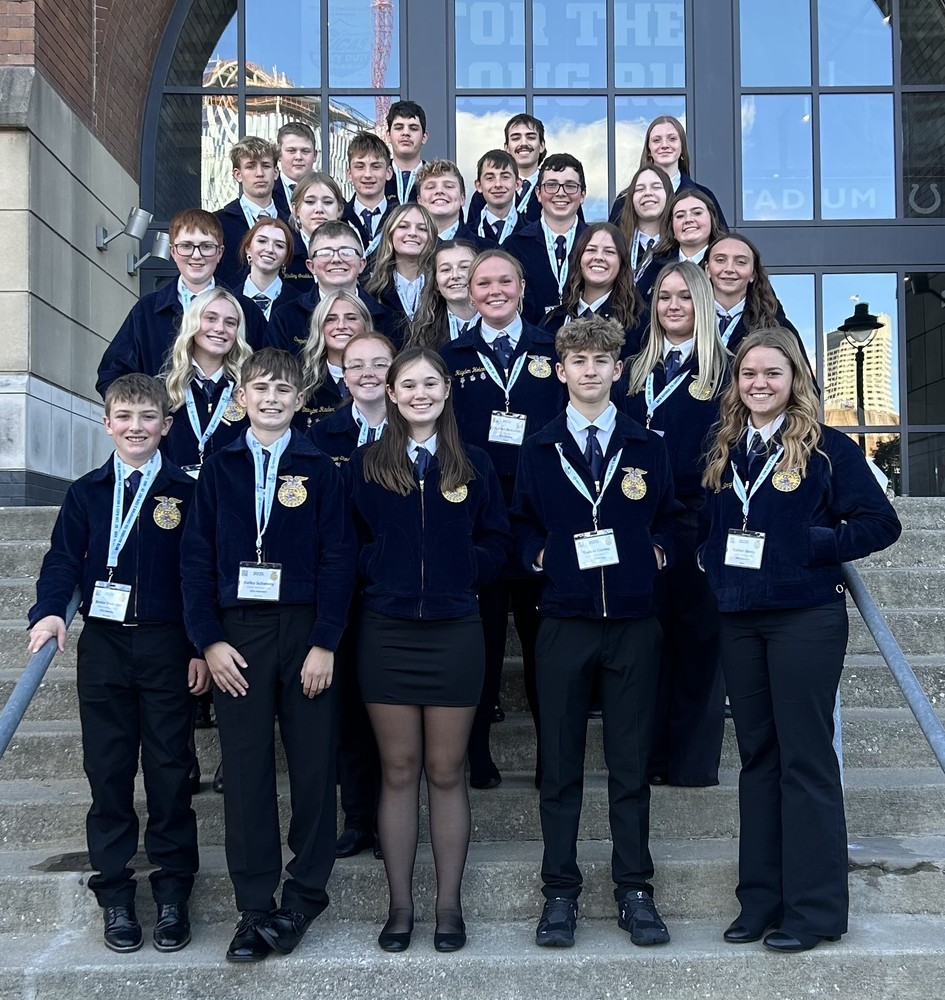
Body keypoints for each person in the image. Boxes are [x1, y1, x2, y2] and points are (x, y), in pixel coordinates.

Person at [699, 327, 901, 952]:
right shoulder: (725, 449)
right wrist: (710, 557)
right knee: (758, 759)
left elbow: (880, 523)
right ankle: (760, 901)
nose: (760, 384)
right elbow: (707, 518)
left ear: (796, 381)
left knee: (805, 759)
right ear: (737, 383)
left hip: (804, 619)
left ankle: (812, 912)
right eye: (749, 374)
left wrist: (813, 546)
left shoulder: (828, 450)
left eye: (773, 374)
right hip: (739, 618)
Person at [181, 347, 356, 963]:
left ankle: (304, 895)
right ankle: (254, 907)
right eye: (261, 389)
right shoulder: (220, 467)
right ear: (242, 396)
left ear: (301, 399)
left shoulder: (319, 466)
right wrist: (209, 640)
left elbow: (339, 558)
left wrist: (325, 642)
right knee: (247, 774)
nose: (273, 398)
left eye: (285, 389)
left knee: (313, 771)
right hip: (238, 637)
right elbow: (195, 560)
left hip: (306, 633)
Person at [511, 316, 679, 949]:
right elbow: (521, 524)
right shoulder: (539, 446)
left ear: (617, 370)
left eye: (600, 361)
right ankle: (560, 892)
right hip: (564, 622)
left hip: (634, 622)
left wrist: (657, 552)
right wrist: (541, 557)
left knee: (630, 766)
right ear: (561, 371)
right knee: (559, 767)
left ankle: (635, 888)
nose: (589, 370)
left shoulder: (648, 445)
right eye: (577, 360)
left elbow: (670, 515)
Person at [28, 373, 207, 954]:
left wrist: (201, 646)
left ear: (166, 426)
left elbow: (199, 576)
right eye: (124, 417)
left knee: (169, 773)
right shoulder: (85, 493)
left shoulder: (187, 491)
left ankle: (174, 893)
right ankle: (115, 896)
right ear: (106, 424)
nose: (136, 427)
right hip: (103, 648)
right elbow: (61, 562)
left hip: (166, 648)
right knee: (107, 776)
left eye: (148, 417)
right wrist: (50, 612)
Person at [345, 347, 510, 953]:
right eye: (407, 384)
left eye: (430, 383)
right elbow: (347, 540)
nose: (420, 393)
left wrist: (468, 569)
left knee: (445, 771)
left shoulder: (475, 465)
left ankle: (447, 908)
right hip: (386, 631)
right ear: (390, 393)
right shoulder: (365, 465)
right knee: (398, 770)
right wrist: (379, 571)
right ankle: (399, 908)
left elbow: (499, 539)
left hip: (455, 630)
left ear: (446, 391)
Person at [440, 249, 565, 789]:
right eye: (483, 282)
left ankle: (549, 756)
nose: (494, 291)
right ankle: (479, 754)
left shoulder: (551, 348)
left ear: (521, 287)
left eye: (504, 281)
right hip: (479, 520)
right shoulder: (450, 355)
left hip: (540, 518)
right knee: (482, 646)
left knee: (544, 648)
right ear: (470, 292)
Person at [618, 261, 729, 787]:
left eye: (685, 297)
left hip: (699, 519)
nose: (673, 306)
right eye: (664, 297)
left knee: (698, 640)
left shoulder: (725, 370)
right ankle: (650, 757)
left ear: (703, 303)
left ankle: (690, 762)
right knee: (647, 641)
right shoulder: (635, 368)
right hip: (640, 524)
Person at [310, 332, 396, 860]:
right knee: (347, 714)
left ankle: (392, 821)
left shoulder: (415, 430)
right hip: (341, 589)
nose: (367, 374)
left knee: (390, 710)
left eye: (379, 364)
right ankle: (358, 817)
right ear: (342, 375)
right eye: (356, 365)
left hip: (395, 588)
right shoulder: (324, 435)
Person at [96, 209, 267, 397]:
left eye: (206, 246)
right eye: (186, 246)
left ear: (220, 253)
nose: (196, 255)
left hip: (228, 422)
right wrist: (146, 412)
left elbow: (267, 373)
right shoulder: (147, 311)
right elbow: (111, 375)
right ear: (172, 251)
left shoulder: (246, 311)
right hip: (164, 423)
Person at [160, 288, 253, 474]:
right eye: (211, 318)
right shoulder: (163, 389)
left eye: (230, 322)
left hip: (229, 497)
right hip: (175, 497)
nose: (220, 328)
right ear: (193, 323)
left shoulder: (249, 391)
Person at [268, 220, 393, 354]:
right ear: (311, 266)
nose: (336, 259)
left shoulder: (387, 318)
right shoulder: (285, 317)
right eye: (324, 253)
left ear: (362, 264)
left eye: (346, 252)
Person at [540, 222, 647, 360]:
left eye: (609, 251)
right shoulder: (553, 321)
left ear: (621, 262)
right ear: (579, 259)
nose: (598, 257)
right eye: (591, 250)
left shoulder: (638, 322)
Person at [504, 153, 588, 324]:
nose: (561, 193)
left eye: (570, 186)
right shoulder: (515, 245)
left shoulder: (597, 244)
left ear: (583, 195)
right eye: (551, 185)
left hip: (588, 345)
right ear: (538, 193)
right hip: (533, 346)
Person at [703, 233, 805, 358]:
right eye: (720, 260)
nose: (729, 269)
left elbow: (803, 377)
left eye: (740, 262)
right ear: (707, 269)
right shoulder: (687, 319)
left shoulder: (777, 325)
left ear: (753, 274)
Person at [297, 289, 375, 429]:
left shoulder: (385, 378)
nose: (341, 326)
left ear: (366, 325)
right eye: (331, 319)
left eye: (351, 318)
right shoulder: (301, 382)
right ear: (319, 328)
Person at [363, 202, 437, 348]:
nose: (412, 233)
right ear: (390, 234)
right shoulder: (371, 290)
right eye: (403, 226)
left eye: (422, 229)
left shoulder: (441, 288)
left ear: (432, 239)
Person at [636, 189, 726, 302]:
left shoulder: (725, 266)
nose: (688, 220)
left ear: (712, 220)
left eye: (697, 213)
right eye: (680, 216)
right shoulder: (655, 266)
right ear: (671, 227)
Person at [638, 115, 728, 229]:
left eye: (672, 139)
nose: (664, 145)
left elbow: (722, 242)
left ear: (682, 147)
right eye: (656, 140)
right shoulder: (626, 200)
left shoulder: (704, 196)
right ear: (649, 150)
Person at [215, 136, 279, 287]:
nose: (259, 173)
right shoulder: (218, 222)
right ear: (238, 175)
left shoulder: (292, 222)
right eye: (250, 166)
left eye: (266, 166)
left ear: (275, 172)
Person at [467, 114, 547, 229]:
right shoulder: (483, 194)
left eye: (531, 137)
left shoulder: (553, 189)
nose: (523, 143)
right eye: (515, 138)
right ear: (506, 148)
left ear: (542, 145)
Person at [409, 240, 479, 349]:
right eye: (446, 269)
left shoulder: (500, 323)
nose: (455, 276)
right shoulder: (424, 334)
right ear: (436, 282)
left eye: (464, 267)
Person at [609, 165, 674, 280]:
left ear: (668, 195)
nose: (648, 193)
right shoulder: (616, 245)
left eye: (656, 187)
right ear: (631, 199)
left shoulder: (678, 246)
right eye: (639, 189)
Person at [284, 171, 347, 284]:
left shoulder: (351, 249)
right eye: (310, 202)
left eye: (327, 202)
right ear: (295, 209)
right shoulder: (284, 250)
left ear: (339, 209)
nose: (319, 209)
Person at [235, 217, 301, 320]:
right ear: (248, 248)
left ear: (286, 256)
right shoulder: (228, 299)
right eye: (262, 241)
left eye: (279, 245)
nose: (270, 250)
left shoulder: (299, 305)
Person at [343, 131, 397, 256]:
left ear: (388, 172)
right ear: (349, 174)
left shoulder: (401, 219)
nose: (368, 174)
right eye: (360, 166)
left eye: (376, 166)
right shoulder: (339, 218)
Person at [415, 159, 487, 247]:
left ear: (462, 198)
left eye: (449, 186)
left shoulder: (487, 250)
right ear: (419, 201)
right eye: (430, 187)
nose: (439, 191)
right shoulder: (406, 249)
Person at [473, 149, 528, 245]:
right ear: (479, 186)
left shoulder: (532, 234)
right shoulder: (466, 236)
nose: (498, 184)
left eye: (505, 177)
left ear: (517, 184)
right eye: (490, 178)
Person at [384, 100, 429, 204]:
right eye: (399, 128)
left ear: (424, 137)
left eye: (413, 128)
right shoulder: (377, 176)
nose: (405, 133)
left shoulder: (436, 178)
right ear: (388, 135)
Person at [272, 122, 318, 220]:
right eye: (291, 151)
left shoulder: (329, 193)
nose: (298, 157)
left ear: (315, 156)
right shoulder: (267, 192)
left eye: (305, 151)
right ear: (279, 154)